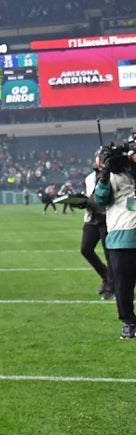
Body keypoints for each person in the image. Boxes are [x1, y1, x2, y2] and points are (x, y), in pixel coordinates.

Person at [92, 136, 136, 339]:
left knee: (123, 283)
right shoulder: (113, 176)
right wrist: (103, 175)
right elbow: (100, 199)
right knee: (123, 283)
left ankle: (128, 323)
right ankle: (128, 322)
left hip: (121, 236)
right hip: (121, 235)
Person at [82, 150, 113, 300]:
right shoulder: (89, 178)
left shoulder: (112, 176)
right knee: (85, 249)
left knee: (109, 254)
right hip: (92, 218)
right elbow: (90, 196)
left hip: (107, 218)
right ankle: (107, 277)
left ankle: (111, 286)